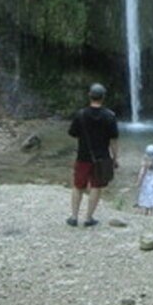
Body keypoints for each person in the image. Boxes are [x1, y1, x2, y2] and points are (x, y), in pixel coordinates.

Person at [67, 82, 119, 227]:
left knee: (78, 186)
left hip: (83, 157)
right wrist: (115, 158)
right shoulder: (110, 116)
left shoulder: (81, 114)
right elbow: (114, 140)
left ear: (89, 96)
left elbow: (73, 133)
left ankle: (74, 217)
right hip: (102, 158)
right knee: (96, 186)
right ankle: (89, 218)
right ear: (103, 98)